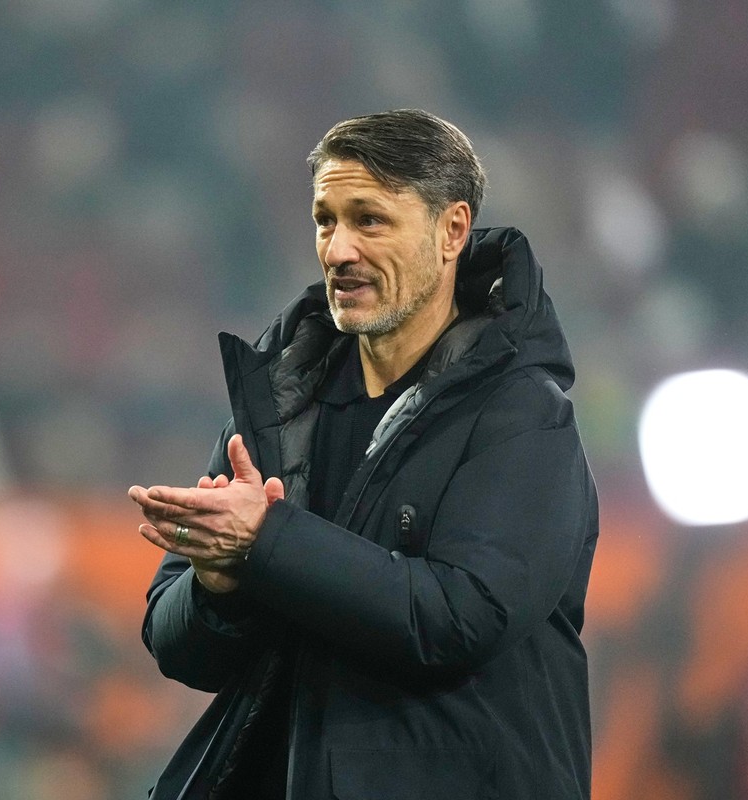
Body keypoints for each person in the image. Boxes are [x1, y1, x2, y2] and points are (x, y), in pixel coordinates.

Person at [128, 108, 599, 800]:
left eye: (369, 220)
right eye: (326, 220)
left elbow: (453, 621)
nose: (338, 250)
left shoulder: (522, 418)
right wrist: (216, 587)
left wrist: (266, 541)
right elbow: (174, 644)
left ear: (452, 231)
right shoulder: (281, 405)